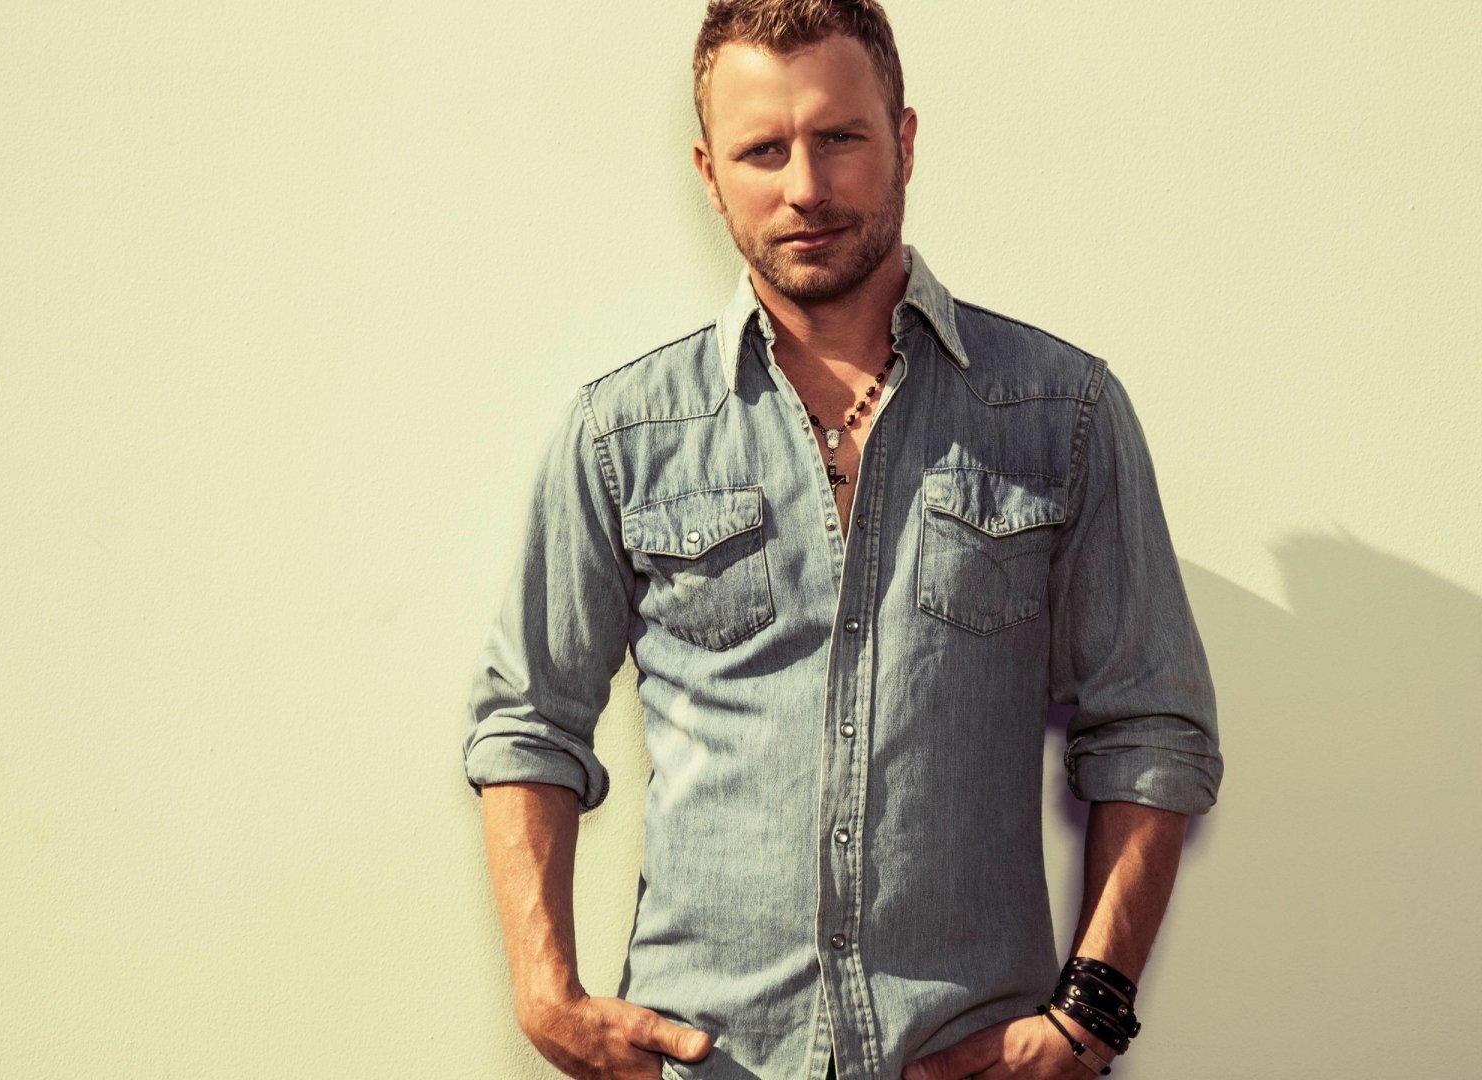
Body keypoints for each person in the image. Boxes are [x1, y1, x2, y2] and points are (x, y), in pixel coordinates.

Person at [461, 2, 1223, 1077]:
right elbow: (529, 719)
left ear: (903, 139)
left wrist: (1088, 1019)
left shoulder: (1063, 415)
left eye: (839, 138)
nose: (805, 187)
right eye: (762, 150)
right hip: (708, 1056)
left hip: (963, 1050)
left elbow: (1153, 729)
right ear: (709, 169)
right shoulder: (624, 436)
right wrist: (546, 997)